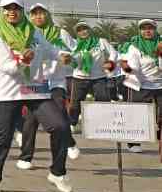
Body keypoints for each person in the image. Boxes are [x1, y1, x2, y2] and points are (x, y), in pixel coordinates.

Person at [0, 0, 74, 192]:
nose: (11, 12)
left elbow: (50, 50)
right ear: (2, 12)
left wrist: (62, 55)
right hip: (10, 93)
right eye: (7, 8)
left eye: (15, 8)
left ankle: (57, 173)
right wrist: (22, 61)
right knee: (2, 138)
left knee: (60, 126)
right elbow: (5, 67)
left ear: (21, 10)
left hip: (37, 91)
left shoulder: (34, 32)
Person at [17, 3, 81, 166]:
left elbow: (77, 50)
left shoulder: (61, 33)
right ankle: (26, 157)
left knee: (59, 115)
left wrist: (69, 58)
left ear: (48, 15)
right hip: (36, 83)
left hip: (56, 81)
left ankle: (69, 143)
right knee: (30, 120)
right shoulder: (27, 34)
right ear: (30, 17)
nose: (38, 17)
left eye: (41, 13)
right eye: (34, 14)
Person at [119, 19, 162, 153]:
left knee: (161, 116)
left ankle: (160, 139)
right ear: (140, 31)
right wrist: (127, 68)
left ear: (155, 30)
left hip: (159, 85)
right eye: (144, 28)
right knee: (136, 115)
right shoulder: (134, 46)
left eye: (150, 28)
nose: (147, 31)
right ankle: (133, 143)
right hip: (140, 85)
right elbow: (134, 67)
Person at [65, 20, 118, 127]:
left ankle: (105, 124)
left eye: (85, 29)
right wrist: (70, 60)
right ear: (77, 33)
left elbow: (113, 52)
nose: (82, 32)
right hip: (79, 78)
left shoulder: (101, 41)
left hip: (99, 77)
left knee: (103, 100)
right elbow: (73, 61)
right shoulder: (75, 44)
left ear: (90, 30)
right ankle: (72, 124)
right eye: (79, 30)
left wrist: (110, 62)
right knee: (75, 104)